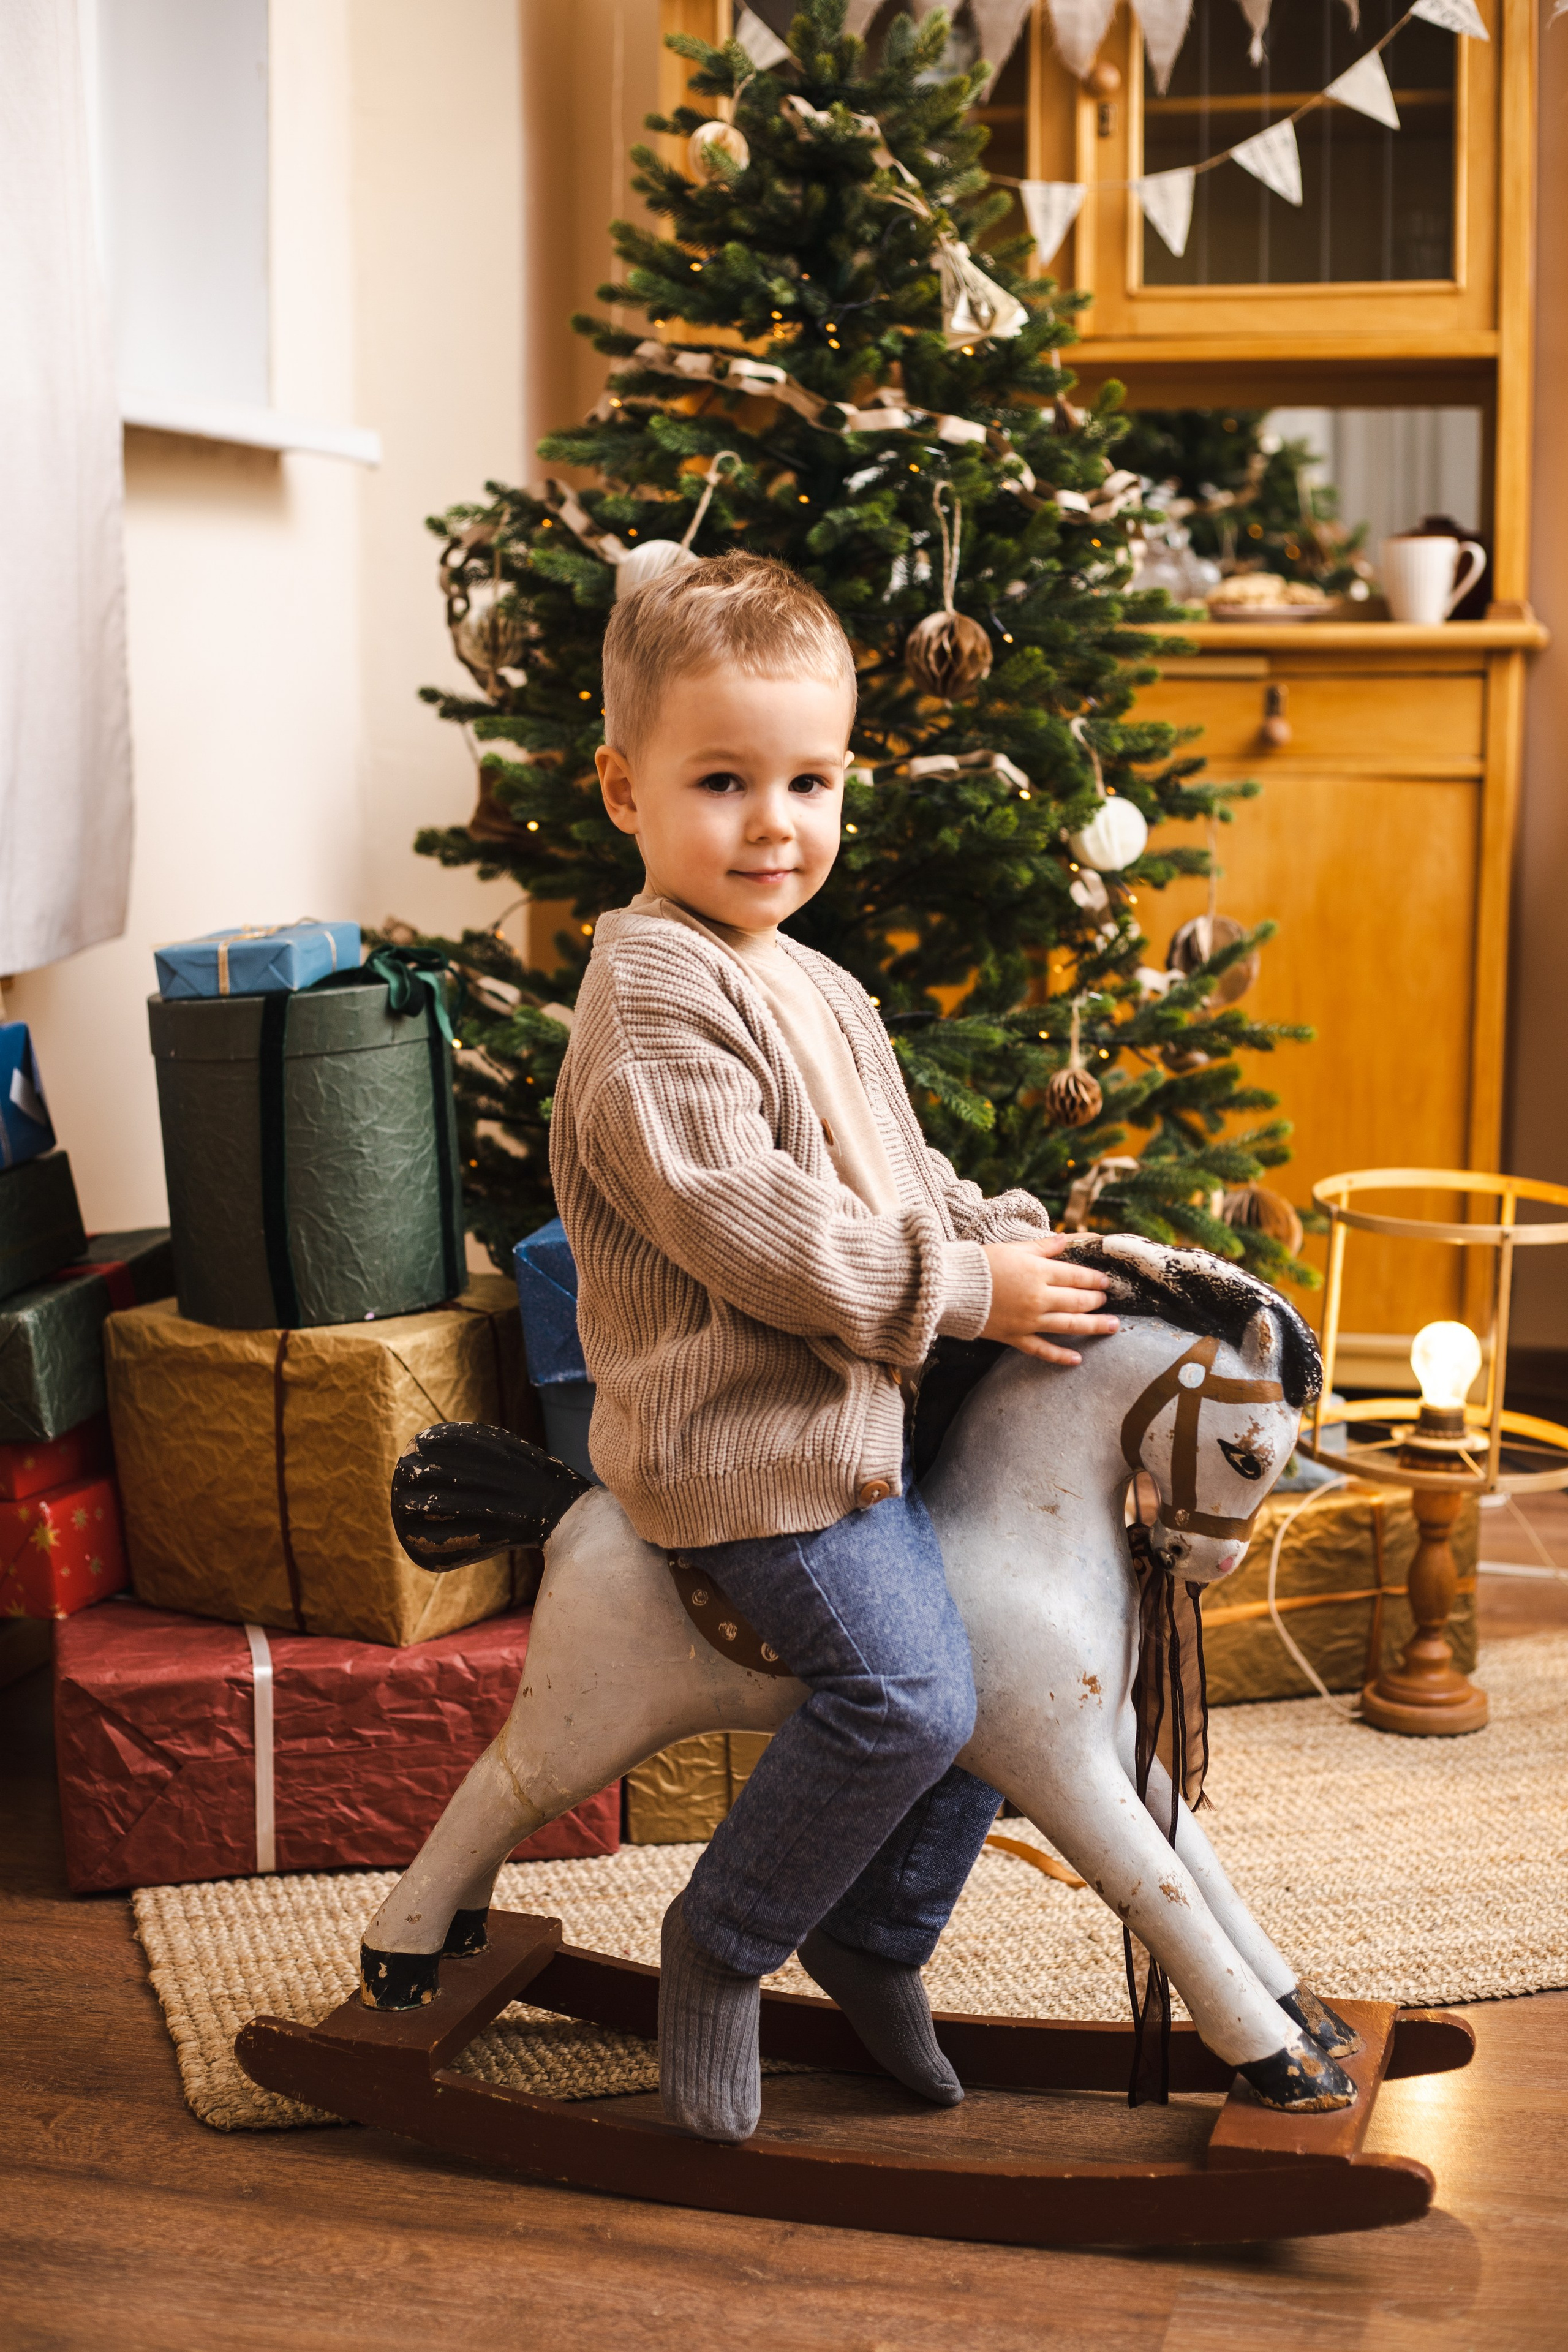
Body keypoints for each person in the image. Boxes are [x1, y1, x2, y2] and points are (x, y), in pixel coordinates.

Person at [549, 552, 1118, 2141]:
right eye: (722, 782)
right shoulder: (653, 1001)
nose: (773, 823)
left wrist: (1016, 1244)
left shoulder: (816, 983)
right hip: (748, 1444)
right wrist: (964, 1292)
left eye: (808, 780)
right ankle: (722, 1943)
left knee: (1013, 1661)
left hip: (857, 1409)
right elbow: (758, 1225)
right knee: (912, 1697)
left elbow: (902, 1180)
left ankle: (875, 1939)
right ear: (623, 789)